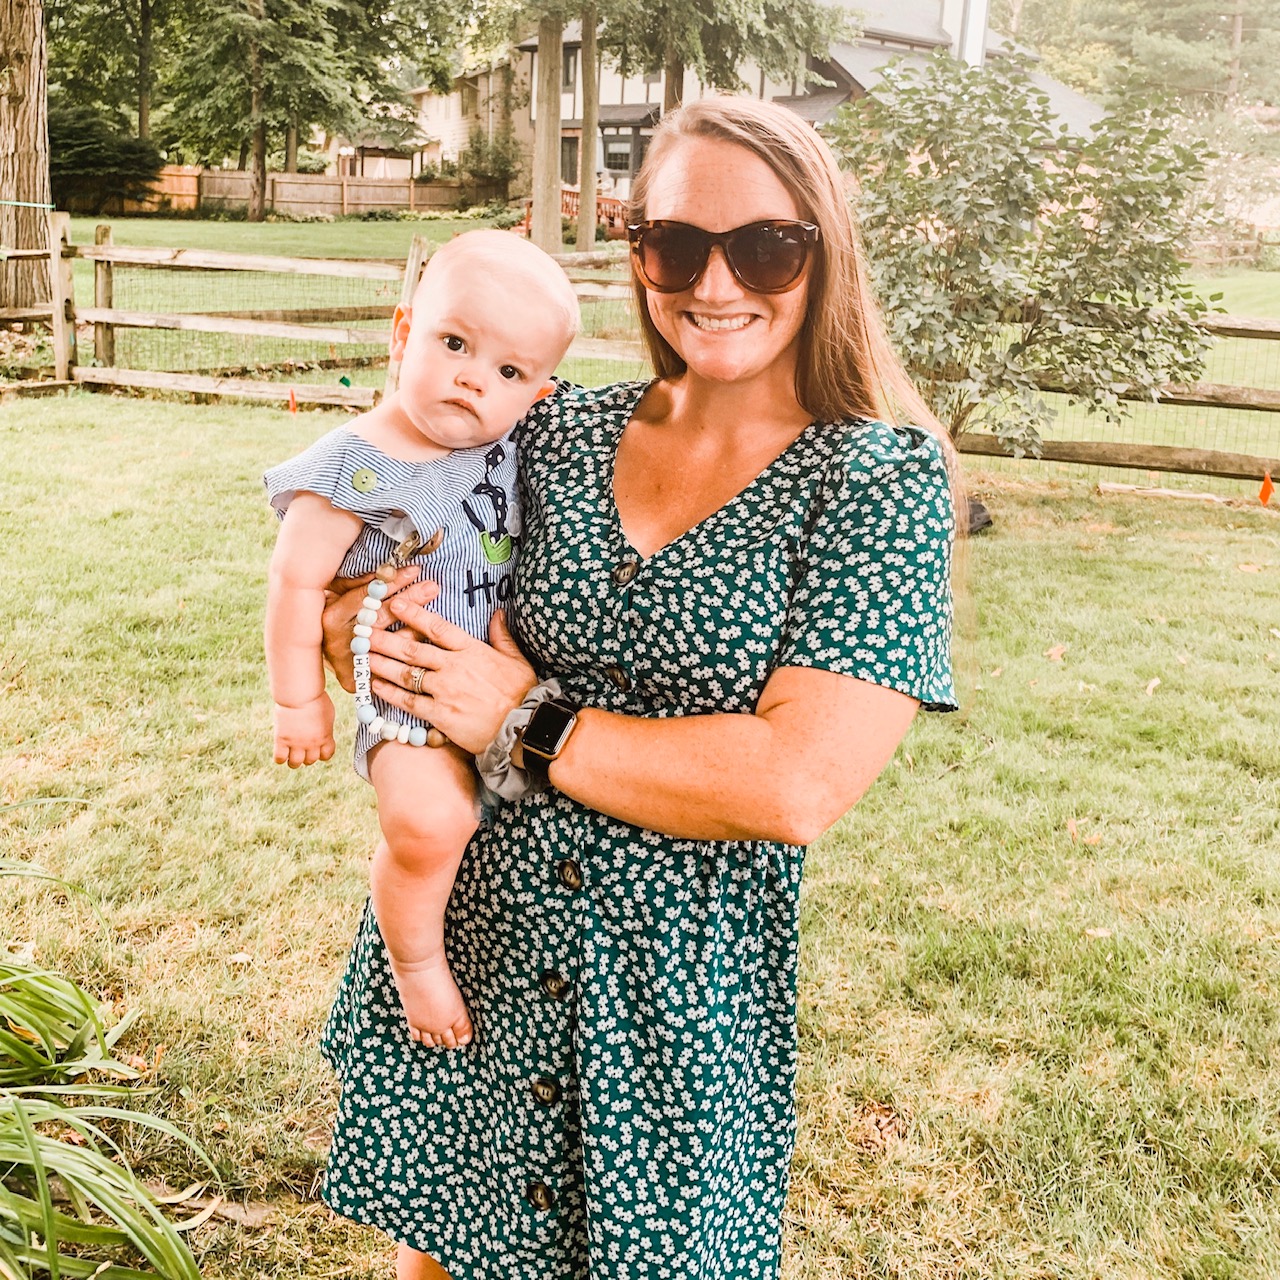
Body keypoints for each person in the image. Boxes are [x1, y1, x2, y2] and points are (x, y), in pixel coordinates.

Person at [318, 97, 959, 1280]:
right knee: (444, 1252)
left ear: (822, 250)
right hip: (481, 939)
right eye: (674, 243)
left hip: (670, 997)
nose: (714, 283)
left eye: (763, 247)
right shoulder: (550, 431)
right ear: (636, 249)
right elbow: (369, 582)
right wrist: (369, 629)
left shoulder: (874, 479)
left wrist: (517, 717)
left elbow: (794, 782)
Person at [263, 230, 579, 1049]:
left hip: (500, 689)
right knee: (431, 825)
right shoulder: (351, 468)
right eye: (455, 344)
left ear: (537, 395)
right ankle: (415, 964)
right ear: (403, 332)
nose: (474, 379)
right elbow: (296, 584)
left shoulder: (507, 439)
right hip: (408, 699)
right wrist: (298, 702)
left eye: (508, 372)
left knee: (500, 822)